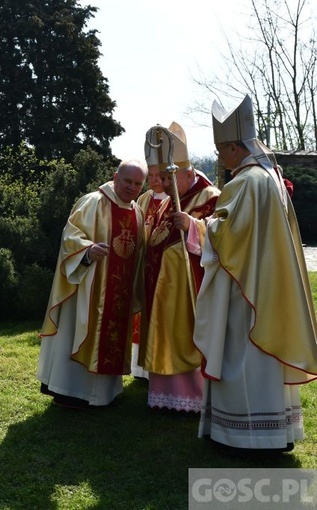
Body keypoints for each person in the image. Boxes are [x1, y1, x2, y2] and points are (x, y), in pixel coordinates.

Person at [194, 95, 317, 452]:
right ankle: (276, 432)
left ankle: (246, 435)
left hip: (246, 289)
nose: (219, 158)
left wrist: (197, 228)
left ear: (235, 147)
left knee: (244, 355)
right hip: (269, 284)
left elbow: (226, 235)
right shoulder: (271, 177)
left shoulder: (246, 182)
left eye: (221, 150)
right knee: (265, 360)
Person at [37, 160, 147, 408]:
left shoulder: (137, 212)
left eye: (138, 184)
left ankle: (104, 393)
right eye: (128, 181)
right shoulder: (93, 202)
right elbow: (70, 236)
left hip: (119, 292)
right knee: (79, 332)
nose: (132, 188)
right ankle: (70, 390)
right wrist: (87, 251)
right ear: (115, 176)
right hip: (87, 288)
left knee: (112, 335)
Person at [138, 123, 219, 413]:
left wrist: (194, 227)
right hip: (163, 289)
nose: (166, 183)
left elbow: (225, 236)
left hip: (189, 288)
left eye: (171, 177)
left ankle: (192, 398)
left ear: (188, 173)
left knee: (185, 337)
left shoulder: (211, 196)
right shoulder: (172, 199)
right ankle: (163, 394)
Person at [130, 155, 168, 380]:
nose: (155, 180)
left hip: (164, 269)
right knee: (140, 318)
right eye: (150, 176)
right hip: (144, 267)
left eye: (158, 176)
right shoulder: (142, 200)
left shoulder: (175, 199)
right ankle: (139, 369)